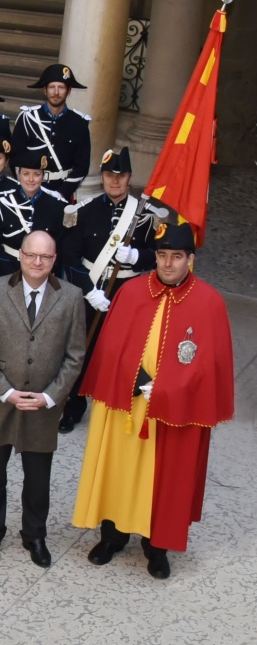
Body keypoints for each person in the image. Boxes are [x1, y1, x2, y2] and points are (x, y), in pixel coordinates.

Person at [72, 217, 233, 579]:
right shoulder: (130, 292)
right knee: (118, 468)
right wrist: (132, 378)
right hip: (124, 405)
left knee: (163, 478)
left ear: (190, 259)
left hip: (172, 412)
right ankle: (112, 536)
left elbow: (208, 368)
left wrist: (165, 387)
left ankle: (156, 546)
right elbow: (111, 349)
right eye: (162, 255)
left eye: (177, 256)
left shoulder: (209, 303)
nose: (168, 263)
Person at [0, 230, 87, 567]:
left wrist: (50, 398)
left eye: (45, 257)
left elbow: (75, 355)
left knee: (37, 480)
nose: (38, 262)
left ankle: (34, 535)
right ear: (20, 255)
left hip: (42, 405)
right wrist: (5, 391)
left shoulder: (71, 297)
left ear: (54, 260)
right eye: (32, 255)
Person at [56, 146, 169, 433]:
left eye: (120, 176)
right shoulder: (85, 210)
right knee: (82, 349)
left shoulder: (144, 215)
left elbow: (159, 254)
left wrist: (137, 257)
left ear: (129, 177)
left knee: (126, 351)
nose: (114, 181)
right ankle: (73, 407)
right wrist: (89, 290)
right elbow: (70, 256)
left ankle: (122, 406)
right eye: (109, 175)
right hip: (91, 290)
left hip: (128, 292)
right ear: (103, 177)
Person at [0, 149, 68, 281]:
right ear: (19, 175)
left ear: (43, 176)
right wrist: (8, 271)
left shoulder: (57, 206)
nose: (31, 179)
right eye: (26, 174)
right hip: (6, 273)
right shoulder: (2, 203)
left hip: (42, 274)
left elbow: (60, 247)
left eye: (36, 174)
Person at [13, 63, 91, 201]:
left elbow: (82, 166)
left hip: (61, 191)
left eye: (61, 87)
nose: (56, 92)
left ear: (69, 91)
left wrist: (61, 193)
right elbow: (16, 157)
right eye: (52, 87)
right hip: (29, 189)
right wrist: (27, 186)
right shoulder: (28, 118)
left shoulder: (79, 123)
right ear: (45, 90)